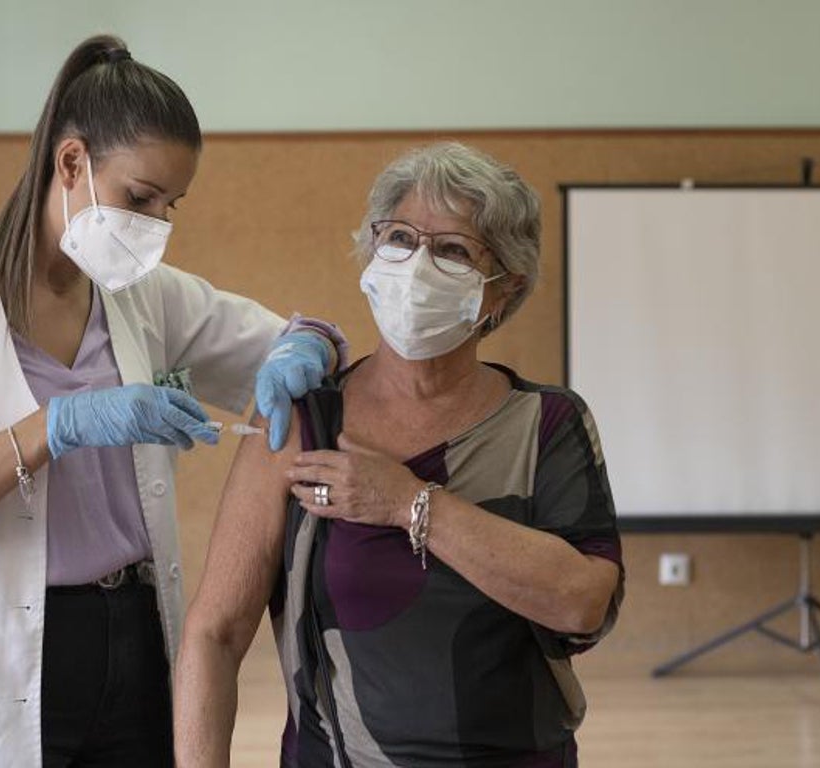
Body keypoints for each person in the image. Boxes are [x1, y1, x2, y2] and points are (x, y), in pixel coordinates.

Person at [0, 35, 346, 767]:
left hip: (136, 635)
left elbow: (299, 340)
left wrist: (306, 350)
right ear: (72, 162)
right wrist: (55, 426)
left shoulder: (145, 297)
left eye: (171, 205)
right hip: (4, 648)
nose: (156, 226)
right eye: (139, 199)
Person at [174, 142, 625, 767]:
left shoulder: (545, 424)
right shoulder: (307, 417)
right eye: (400, 237)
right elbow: (214, 635)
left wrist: (411, 504)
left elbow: (583, 603)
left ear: (502, 291)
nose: (416, 265)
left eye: (453, 250)